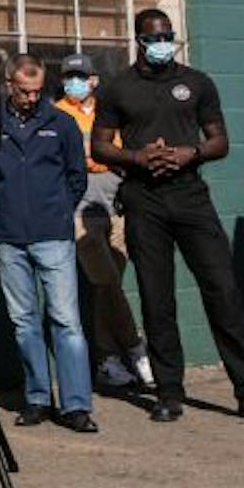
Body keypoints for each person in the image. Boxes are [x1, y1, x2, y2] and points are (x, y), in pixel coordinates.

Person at [92, 9, 244, 424]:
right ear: (138, 40)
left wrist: (189, 153)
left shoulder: (197, 82)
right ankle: (168, 393)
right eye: (154, 37)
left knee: (223, 292)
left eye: (168, 36)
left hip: (192, 197)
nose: (163, 43)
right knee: (157, 299)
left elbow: (220, 141)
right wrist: (137, 157)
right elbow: (100, 147)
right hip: (144, 199)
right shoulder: (117, 88)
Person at [0, 56, 95, 432]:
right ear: (8, 85)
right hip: (10, 237)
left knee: (66, 320)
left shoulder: (60, 124)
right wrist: (4, 208)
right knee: (24, 322)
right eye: (24, 91)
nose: (32, 98)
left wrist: (60, 211)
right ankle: (37, 399)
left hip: (53, 235)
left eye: (37, 90)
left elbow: (77, 176)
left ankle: (76, 405)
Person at [54, 54, 152, 390]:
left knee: (105, 288)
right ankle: (137, 348)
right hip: (80, 210)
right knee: (106, 279)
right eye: (69, 76)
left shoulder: (107, 112)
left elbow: (119, 154)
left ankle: (108, 361)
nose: (75, 82)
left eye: (81, 75)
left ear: (94, 79)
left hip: (115, 206)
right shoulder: (57, 114)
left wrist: (107, 159)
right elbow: (86, 158)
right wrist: (102, 158)